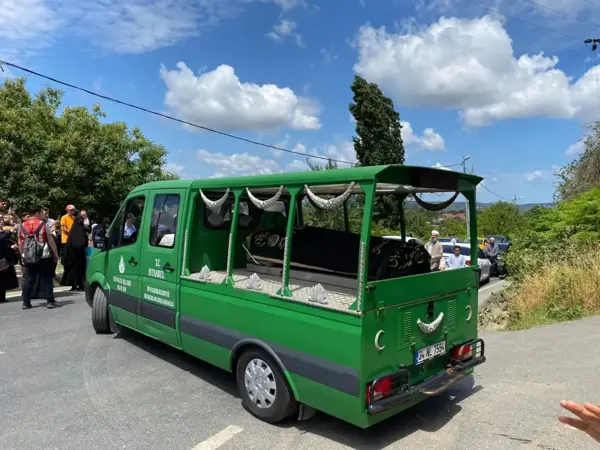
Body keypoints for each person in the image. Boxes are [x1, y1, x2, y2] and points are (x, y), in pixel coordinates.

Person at [19, 205, 60, 309]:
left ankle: (26, 302)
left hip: (28, 255)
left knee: (28, 278)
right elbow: (50, 240)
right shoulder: (43, 224)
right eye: (42, 212)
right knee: (47, 278)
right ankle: (50, 301)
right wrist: (55, 254)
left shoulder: (22, 225)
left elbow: (20, 242)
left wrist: (22, 255)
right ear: (37, 213)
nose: (43, 215)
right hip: (43, 255)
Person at [63, 212, 88, 292]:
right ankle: (80, 285)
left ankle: (74, 285)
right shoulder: (81, 230)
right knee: (80, 270)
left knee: (74, 270)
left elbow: (69, 244)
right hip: (79, 256)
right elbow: (84, 242)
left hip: (73, 256)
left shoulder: (73, 231)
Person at [0, 228, 19, 303]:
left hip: (4, 259)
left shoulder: (3, 233)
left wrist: (12, 246)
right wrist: (10, 231)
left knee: (3, 279)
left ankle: (2, 297)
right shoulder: (5, 234)